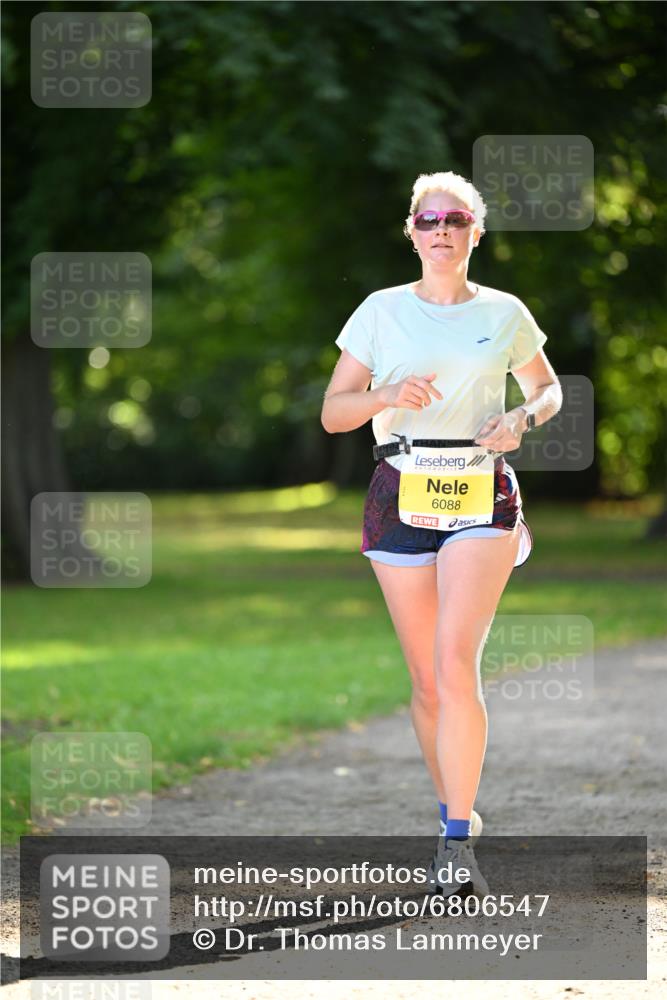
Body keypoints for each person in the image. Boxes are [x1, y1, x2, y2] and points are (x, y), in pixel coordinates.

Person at [321, 170, 562, 897]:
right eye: (427, 219)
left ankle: (455, 846)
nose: (440, 229)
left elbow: (548, 388)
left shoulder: (505, 311)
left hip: (481, 491)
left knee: (455, 663)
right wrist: (388, 394)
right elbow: (334, 413)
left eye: (454, 218)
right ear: (411, 232)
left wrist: (521, 418)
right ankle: (451, 809)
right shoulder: (379, 312)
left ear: (474, 233)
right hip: (399, 489)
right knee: (426, 680)